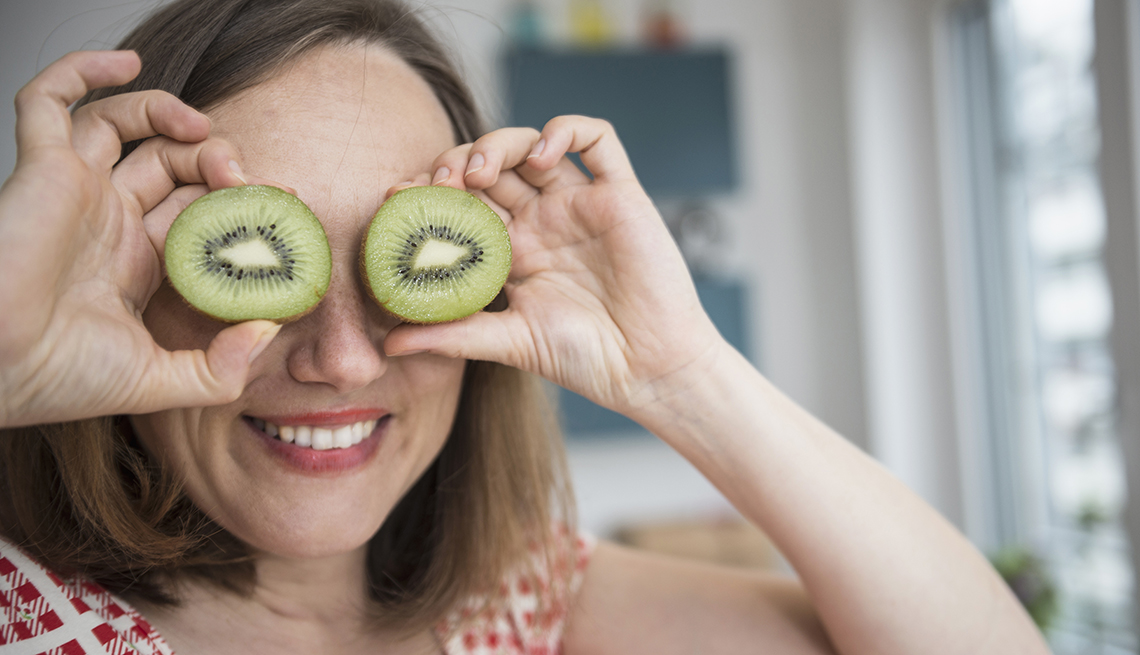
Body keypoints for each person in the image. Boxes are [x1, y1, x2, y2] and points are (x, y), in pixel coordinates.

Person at [0, 0, 1050, 653]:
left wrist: (682, 373)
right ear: (123, 273)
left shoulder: (523, 599)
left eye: (394, 268)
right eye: (257, 271)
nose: (343, 357)